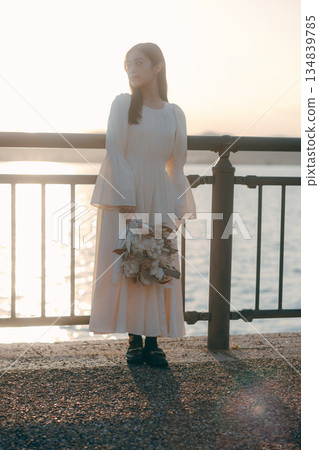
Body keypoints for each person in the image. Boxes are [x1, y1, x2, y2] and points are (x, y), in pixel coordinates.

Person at [88, 42, 197, 367]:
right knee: (129, 261)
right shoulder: (123, 105)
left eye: (139, 62)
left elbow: (175, 165)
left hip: (159, 194)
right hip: (127, 193)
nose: (132, 69)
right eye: (128, 64)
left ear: (157, 66)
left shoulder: (174, 113)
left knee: (157, 262)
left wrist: (179, 207)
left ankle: (153, 340)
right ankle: (133, 340)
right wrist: (125, 198)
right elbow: (115, 150)